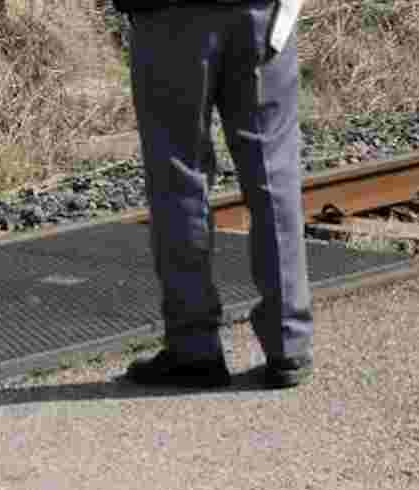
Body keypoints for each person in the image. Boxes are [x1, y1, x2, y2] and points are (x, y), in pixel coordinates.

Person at [113, 0, 314, 390]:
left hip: (169, 17)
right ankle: (289, 341)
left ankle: (194, 346)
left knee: (178, 174)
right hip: (260, 11)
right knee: (273, 172)